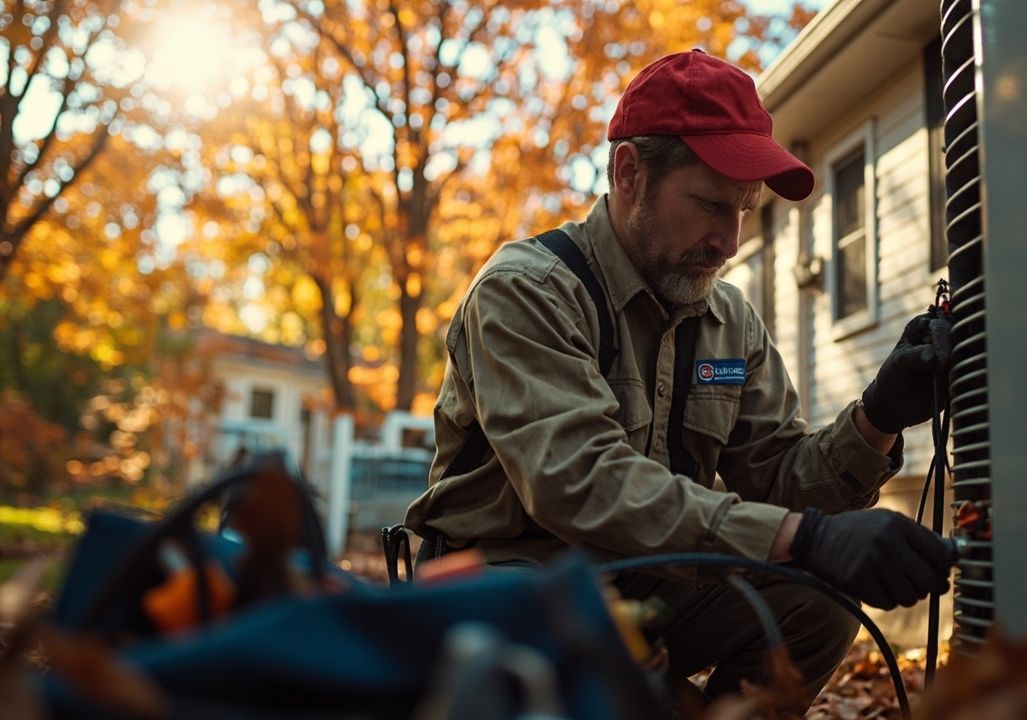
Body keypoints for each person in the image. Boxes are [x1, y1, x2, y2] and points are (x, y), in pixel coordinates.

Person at [405, 49, 954, 708]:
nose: (729, 240)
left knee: (818, 605)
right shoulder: (527, 291)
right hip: (510, 583)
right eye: (710, 204)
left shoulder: (730, 319)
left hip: (650, 578)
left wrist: (877, 418)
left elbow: (779, 478)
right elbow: (580, 481)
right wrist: (803, 538)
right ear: (629, 172)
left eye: (744, 210)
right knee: (625, 683)